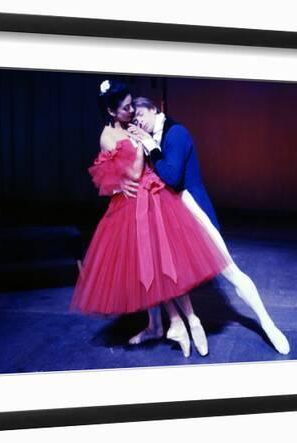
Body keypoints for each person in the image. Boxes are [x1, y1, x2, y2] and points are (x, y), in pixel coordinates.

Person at [70, 80, 231, 357]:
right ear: (111, 111)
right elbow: (130, 174)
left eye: (132, 104)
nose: (132, 110)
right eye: (125, 108)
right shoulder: (108, 136)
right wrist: (139, 143)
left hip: (155, 196)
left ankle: (187, 322)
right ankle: (171, 323)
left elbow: (152, 159)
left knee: (167, 263)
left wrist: (144, 141)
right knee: (149, 267)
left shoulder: (132, 125)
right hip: (131, 205)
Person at [126, 96, 290, 355]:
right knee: (159, 269)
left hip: (195, 212)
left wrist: (149, 146)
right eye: (134, 119)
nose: (138, 122)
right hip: (174, 216)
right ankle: (163, 325)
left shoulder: (176, 132)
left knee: (230, 271)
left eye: (141, 116)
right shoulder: (150, 137)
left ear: (154, 109)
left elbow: (172, 176)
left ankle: (267, 323)